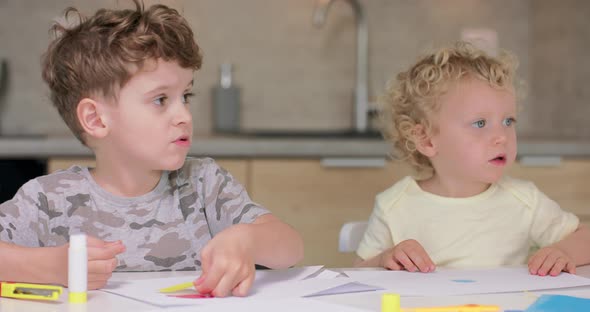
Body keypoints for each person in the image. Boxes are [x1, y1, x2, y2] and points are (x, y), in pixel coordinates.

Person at [0, 1, 303, 297]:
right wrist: (49, 267)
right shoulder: (48, 200)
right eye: (160, 100)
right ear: (95, 119)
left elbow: (291, 248)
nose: (184, 114)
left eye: (185, 95)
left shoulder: (204, 184)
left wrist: (246, 239)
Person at [354, 41, 590, 276]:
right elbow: (357, 272)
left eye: (508, 121)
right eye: (480, 123)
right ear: (426, 140)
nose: (501, 137)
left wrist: (563, 251)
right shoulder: (394, 206)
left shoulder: (525, 201)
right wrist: (385, 259)